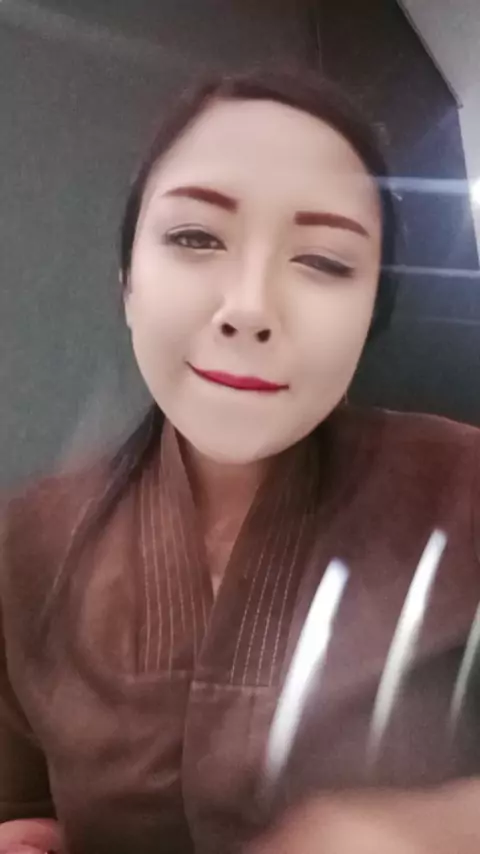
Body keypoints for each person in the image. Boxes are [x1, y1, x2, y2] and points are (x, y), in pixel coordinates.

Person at [1, 68, 480, 854]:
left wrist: (427, 829)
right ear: (128, 281)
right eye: (195, 237)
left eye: (324, 260)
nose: (250, 309)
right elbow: (23, 800)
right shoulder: (27, 542)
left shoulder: (467, 488)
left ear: (372, 311)